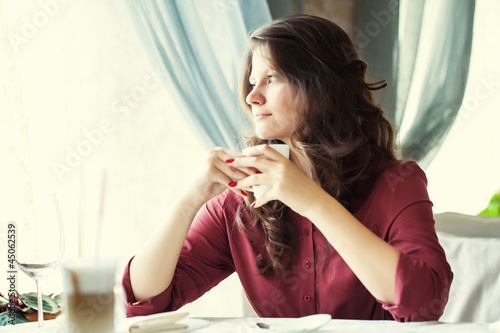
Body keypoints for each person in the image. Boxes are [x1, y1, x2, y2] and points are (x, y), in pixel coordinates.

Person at [122, 14, 452, 322]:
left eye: (271, 78)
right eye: (252, 83)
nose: (252, 97)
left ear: (321, 87)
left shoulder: (396, 182)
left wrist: (311, 201)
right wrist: (190, 201)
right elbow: (143, 302)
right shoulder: (242, 198)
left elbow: (423, 303)